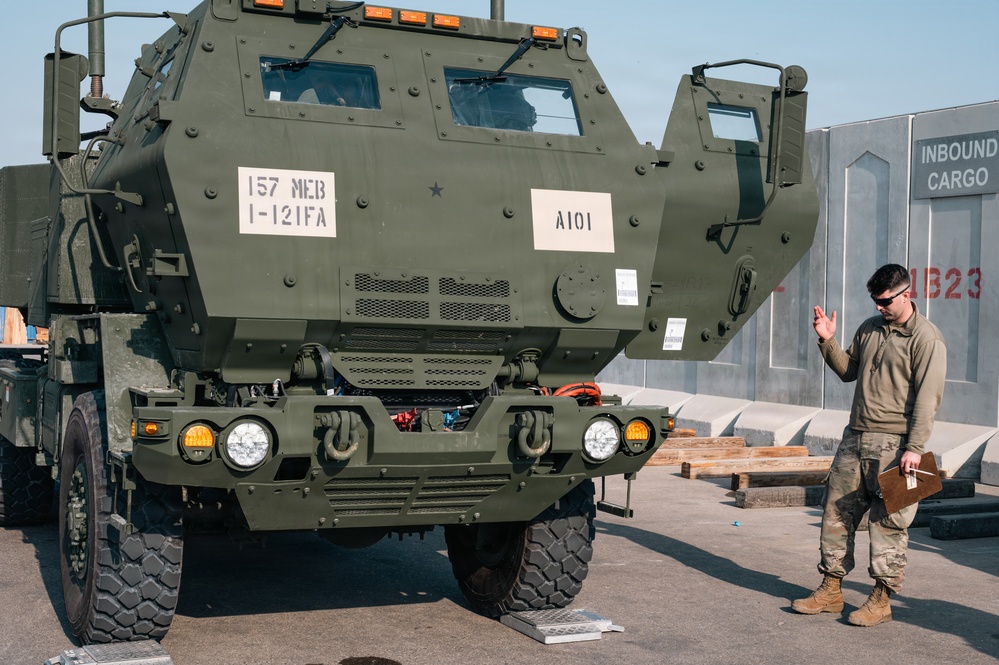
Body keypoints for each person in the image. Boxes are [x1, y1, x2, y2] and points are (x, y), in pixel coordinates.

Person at [792, 263, 946, 626]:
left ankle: (881, 599)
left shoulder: (927, 339)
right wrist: (827, 341)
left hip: (897, 446)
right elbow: (849, 371)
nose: (879, 306)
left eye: (885, 301)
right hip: (856, 437)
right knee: (835, 513)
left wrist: (915, 447)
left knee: (889, 523)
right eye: (875, 300)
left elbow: (928, 399)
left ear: (906, 294)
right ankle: (831, 590)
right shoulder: (869, 328)